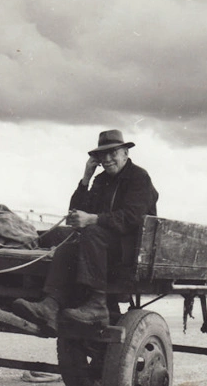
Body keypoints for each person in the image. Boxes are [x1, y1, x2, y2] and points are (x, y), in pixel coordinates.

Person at [13, 129, 158, 328]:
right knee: (68, 246)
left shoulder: (139, 178)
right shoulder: (100, 180)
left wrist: (92, 219)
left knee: (91, 232)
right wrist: (86, 179)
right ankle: (51, 305)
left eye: (113, 153)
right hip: (101, 246)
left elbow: (132, 217)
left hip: (131, 248)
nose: (107, 159)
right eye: (102, 155)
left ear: (125, 153)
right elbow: (77, 211)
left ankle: (97, 305)